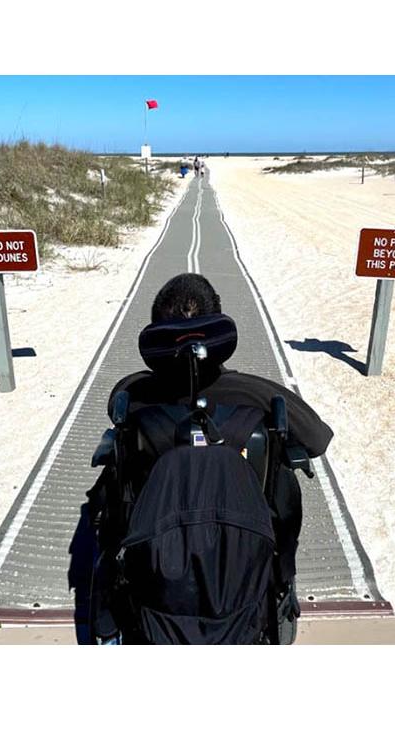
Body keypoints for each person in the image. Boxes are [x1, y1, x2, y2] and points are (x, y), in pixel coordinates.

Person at [99, 274, 333, 640]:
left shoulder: (133, 395)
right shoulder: (259, 395)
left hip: (158, 569)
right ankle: (281, 583)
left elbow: (117, 399)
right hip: (241, 567)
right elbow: (317, 440)